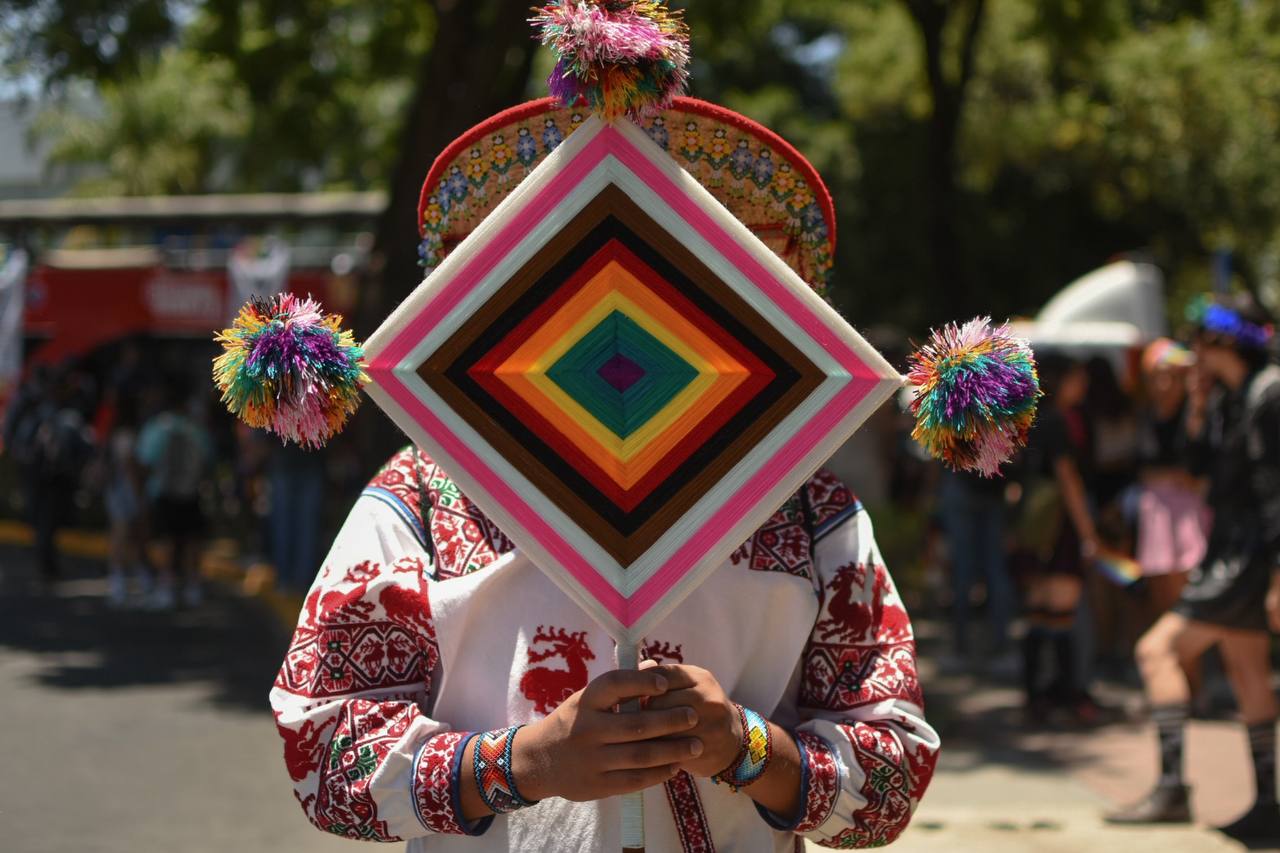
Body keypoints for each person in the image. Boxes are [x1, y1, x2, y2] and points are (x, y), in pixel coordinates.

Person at [270, 449, 939, 850]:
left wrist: (747, 745)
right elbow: (325, 751)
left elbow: (892, 777)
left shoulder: (807, 505)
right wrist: (524, 761)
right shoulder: (425, 488)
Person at [1107, 295, 1280, 841]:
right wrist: (1201, 404)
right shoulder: (1231, 397)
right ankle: (1269, 803)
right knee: (1248, 671)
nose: (1193, 352)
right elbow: (1200, 468)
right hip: (1231, 550)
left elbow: (1276, 493)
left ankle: (1172, 789)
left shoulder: (1269, 394)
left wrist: (1278, 575)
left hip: (1247, 556)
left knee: (1156, 650)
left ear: (1225, 341)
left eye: (1200, 340)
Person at [1013, 354, 1101, 723]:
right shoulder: (1060, 423)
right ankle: (1067, 695)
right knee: (1062, 614)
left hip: (1033, 527)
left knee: (1038, 613)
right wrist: (1088, 533)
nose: (1082, 385)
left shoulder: (1030, 419)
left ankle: (1035, 696)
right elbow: (1068, 480)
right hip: (1060, 527)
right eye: (1077, 378)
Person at [1134, 339, 1208, 621]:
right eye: (1157, 377)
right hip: (1154, 512)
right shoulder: (1145, 417)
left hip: (1187, 512)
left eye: (1170, 377)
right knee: (1162, 601)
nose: (1164, 385)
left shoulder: (1193, 413)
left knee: (1186, 602)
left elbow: (1195, 466)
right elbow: (1139, 468)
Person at [136, 378, 213, 609]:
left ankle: (166, 586)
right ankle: (192, 586)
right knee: (191, 540)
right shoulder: (196, 429)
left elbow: (144, 460)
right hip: (190, 491)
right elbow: (208, 459)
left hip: (164, 492)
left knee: (166, 541)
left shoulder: (156, 428)